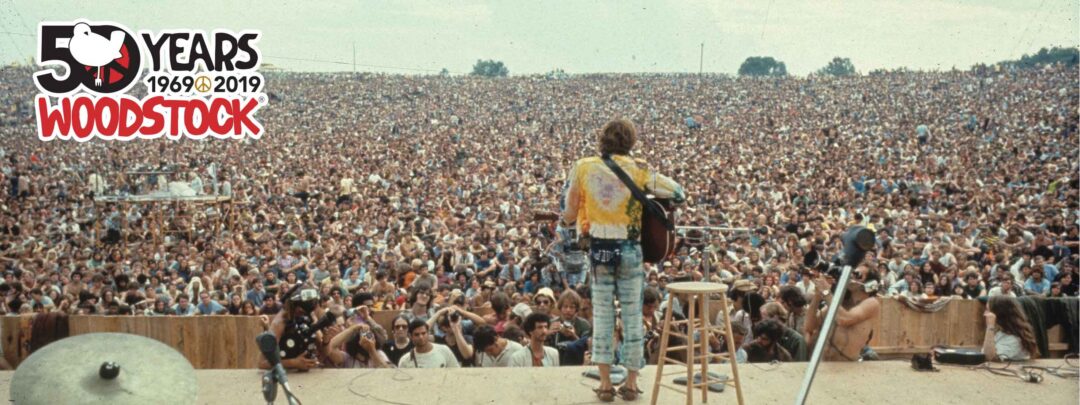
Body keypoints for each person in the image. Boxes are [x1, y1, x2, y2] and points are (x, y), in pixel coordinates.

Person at [561, 119, 685, 402]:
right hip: (630, 250)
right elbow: (678, 192)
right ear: (631, 141)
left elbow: (567, 211)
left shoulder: (583, 166)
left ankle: (605, 385)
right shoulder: (639, 168)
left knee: (603, 317)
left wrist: (574, 218)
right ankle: (630, 383)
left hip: (600, 250)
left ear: (602, 139)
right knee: (632, 317)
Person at [803, 266, 882, 361]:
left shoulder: (872, 303)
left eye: (858, 275)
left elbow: (844, 319)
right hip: (823, 365)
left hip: (846, 367)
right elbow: (809, 327)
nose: (851, 276)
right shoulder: (840, 303)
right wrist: (817, 295)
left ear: (871, 284)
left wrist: (826, 292)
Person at [982, 296, 1038, 361]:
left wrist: (990, 327)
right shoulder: (1000, 332)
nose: (984, 314)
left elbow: (989, 357)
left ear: (999, 314)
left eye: (988, 310)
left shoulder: (1014, 339)